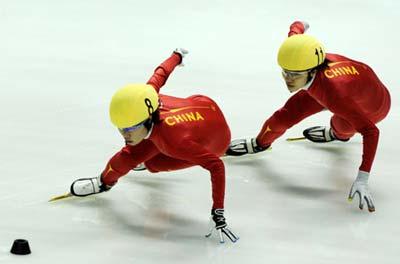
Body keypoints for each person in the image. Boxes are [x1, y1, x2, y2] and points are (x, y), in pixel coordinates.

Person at [69, 48, 238, 243]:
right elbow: (161, 73)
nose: (124, 135)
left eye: (130, 129)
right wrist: (177, 56)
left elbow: (216, 165)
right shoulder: (147, 96)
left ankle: (133, 169)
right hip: (201, 105)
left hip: (216, 141)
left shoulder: (174, 143)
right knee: (131, 154)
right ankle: (103, 181)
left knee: (154, 164)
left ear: (147, 119)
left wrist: (218, 212)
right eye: (120, 129)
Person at [226, 21, 391, 213]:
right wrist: (299, 25)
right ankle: (259, 143)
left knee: (341, 125)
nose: (288, 79)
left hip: (373, 106)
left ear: (312, 71)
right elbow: (295, 33)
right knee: (281, 118)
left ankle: (339, 135)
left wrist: (363, 178)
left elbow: (371, 131)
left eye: (294, 75)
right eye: (285, 72)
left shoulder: (335, 95)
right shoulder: (300, 54)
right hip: (344, 88)